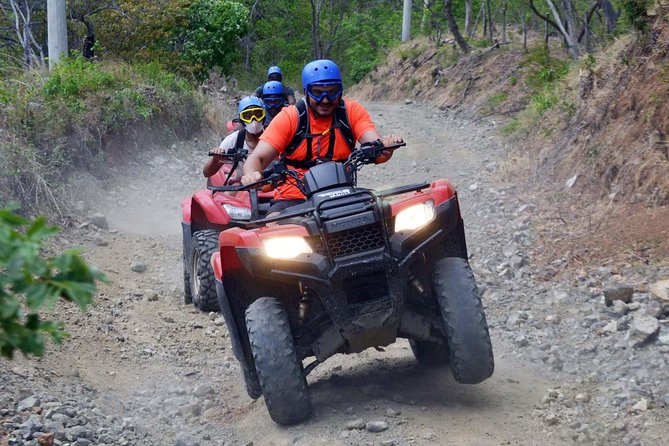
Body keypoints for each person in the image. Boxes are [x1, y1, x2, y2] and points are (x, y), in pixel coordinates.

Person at [241, 59, 403, 215]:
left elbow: (374, 144)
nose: (325, 100)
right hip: (293, 197)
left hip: (342, 192)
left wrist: (384, 146)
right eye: (317, 93)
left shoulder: (351, 111)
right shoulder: (290, 117)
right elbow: (258, 158)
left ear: (340, 90)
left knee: (380, 217)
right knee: (272, 228)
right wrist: (252, 174)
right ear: (306, 92)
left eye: (332, 92)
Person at [204, 96, 266, 181]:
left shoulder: (275, 137)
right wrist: (215, 159)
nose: (253, 120)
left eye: (258, 114)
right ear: (241, 119)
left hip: (275, 185)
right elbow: (207, 173)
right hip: (243, 185)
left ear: (264, 116)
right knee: (227, 194)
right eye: (247, 116)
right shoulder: (233, 140)